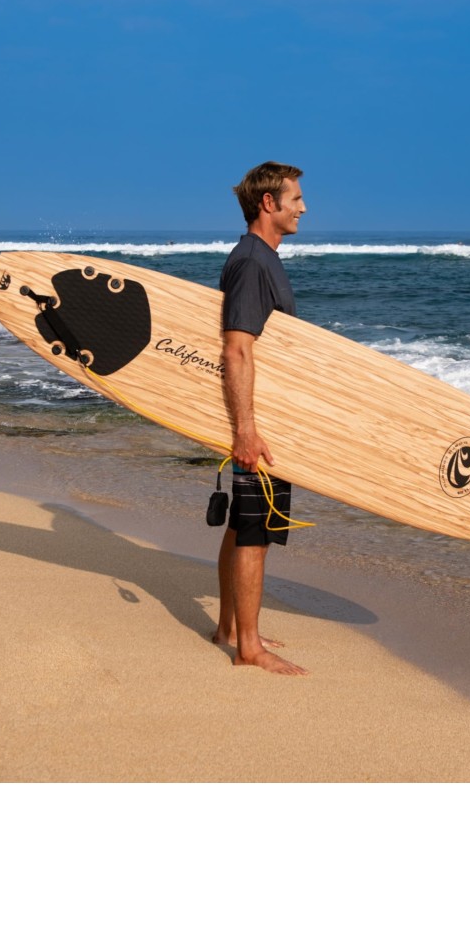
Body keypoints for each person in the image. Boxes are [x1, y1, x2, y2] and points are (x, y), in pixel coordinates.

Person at [212, 161, 309, 675]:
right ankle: (248, 648)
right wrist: (246, 430)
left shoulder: (259, 257)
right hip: (258, 424)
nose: (303, 208)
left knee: (242, 524)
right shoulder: (252, 262)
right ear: (268, 203)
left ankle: (230, 628)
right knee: (254, 531)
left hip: (263, 416)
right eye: (296, 198)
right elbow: (237, 348)